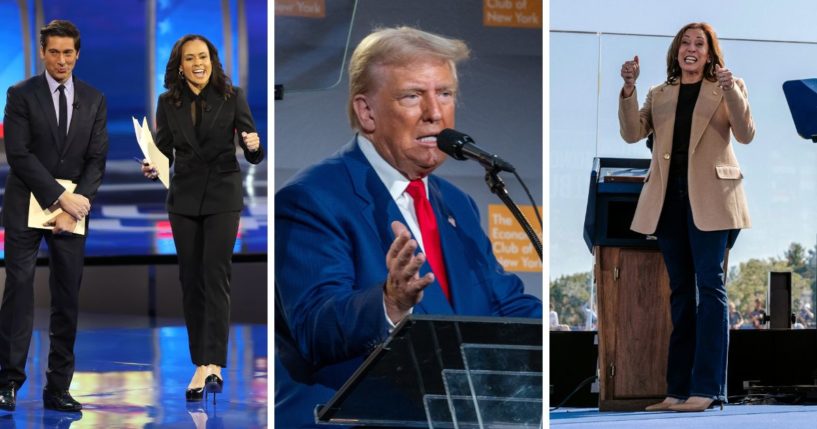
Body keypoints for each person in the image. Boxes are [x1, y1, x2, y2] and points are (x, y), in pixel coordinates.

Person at [275, 26, 543, 428]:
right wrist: (390, 303)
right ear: (367, 112)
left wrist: (563, 343)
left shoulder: (457, 203)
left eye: (445, 93)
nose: (435, 113)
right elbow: (315, 327)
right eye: (413, 95)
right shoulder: (311, 199)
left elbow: (502, 304)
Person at [618, 22, 754, 412]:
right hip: (668, 201)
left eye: (700, 44)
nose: (691, 49)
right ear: (676, 52)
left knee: (710, 289)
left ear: (710, 53)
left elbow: (745, 134)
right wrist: (628, 89)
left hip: (713, 198)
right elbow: (631, 133)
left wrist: (731, 90)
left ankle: (708, 389)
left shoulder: (728, 86)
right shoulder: (658, 93)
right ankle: (676, 391)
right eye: (685, 43)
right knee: (680, 292)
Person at [140, 34, 264, 402]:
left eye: (204, 56)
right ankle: (200, 363)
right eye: (191, 58)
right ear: (180, 64)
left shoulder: (232, 96)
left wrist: (255, 148)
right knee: (191, 280)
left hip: (223, 197)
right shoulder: (168, 102)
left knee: (215, 275)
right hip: (183, 200)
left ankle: (216, 364)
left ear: (213, 60)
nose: (199, 63)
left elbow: (252, 146)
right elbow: (163, 150)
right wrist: (152, 166)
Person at [0, 20, 108, 413]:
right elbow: (19, 155)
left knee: (66, 298)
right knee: (19, 290)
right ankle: (8, 381)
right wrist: (61, 198)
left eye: (68, 53)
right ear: (43, 53)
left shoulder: (94, 99)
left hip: (73, 210)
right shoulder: (21, 94)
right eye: (54, 52)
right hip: (28, 202)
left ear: (77, 55)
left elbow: (97, 160)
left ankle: (58, 388)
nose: (62, 59)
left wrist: (75, 204)